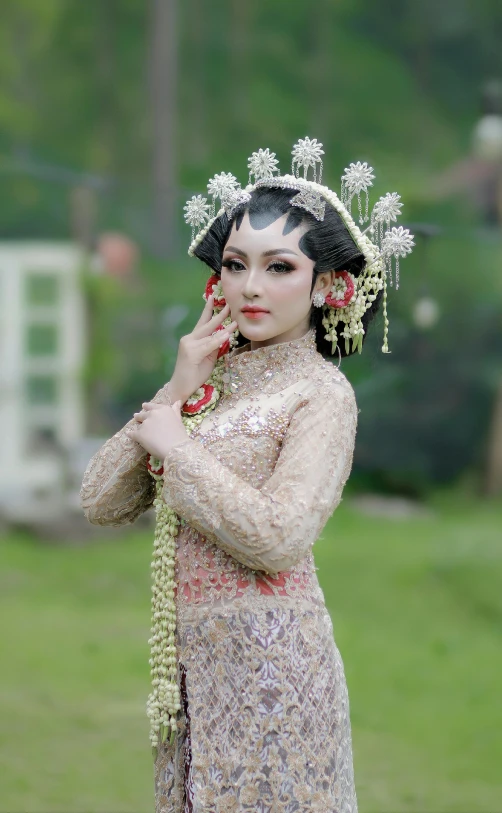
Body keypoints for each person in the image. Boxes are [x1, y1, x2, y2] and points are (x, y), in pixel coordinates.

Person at [80, 138, 413, 813]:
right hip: (191, 679)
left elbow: (279, 537)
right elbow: (99, 501)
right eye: (236, 264)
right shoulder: (207, 388)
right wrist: (176, 388)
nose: (251, 286)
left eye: (279, 265)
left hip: (275, 678)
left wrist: (180, 451)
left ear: (327, 285)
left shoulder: (321, 395)